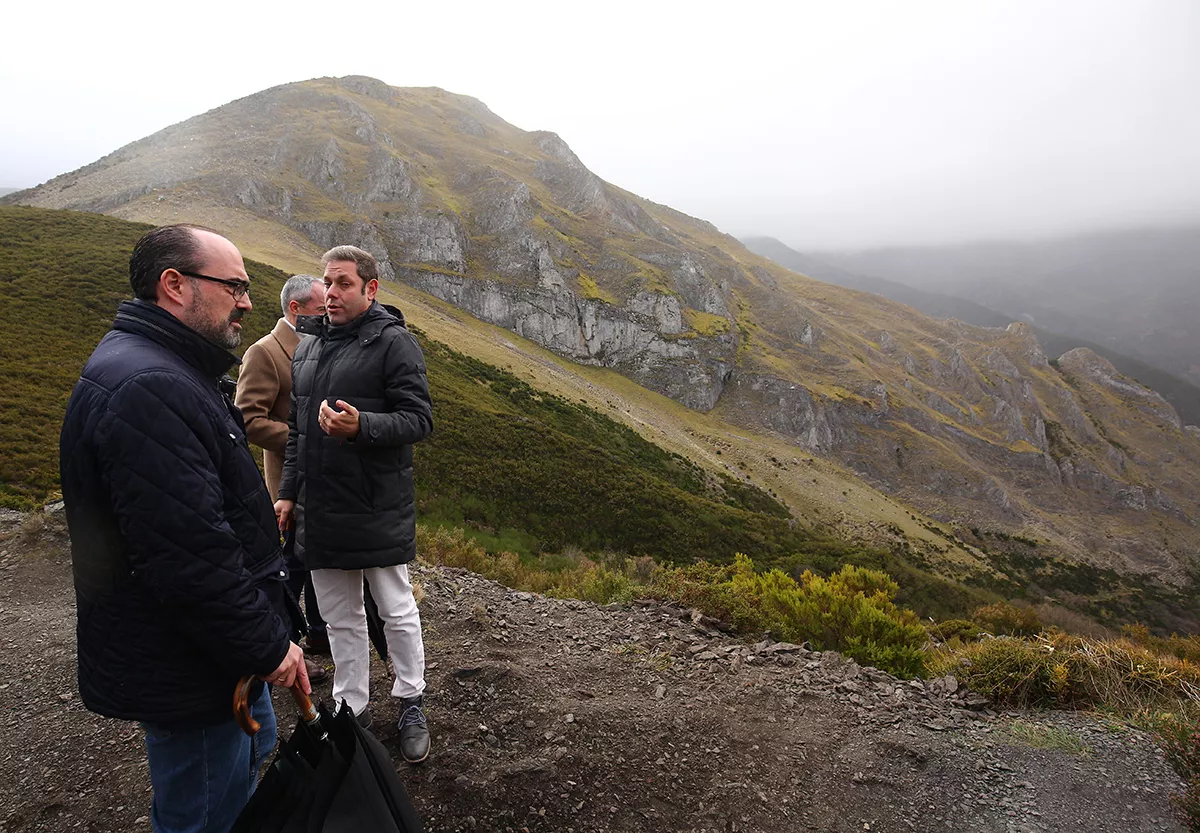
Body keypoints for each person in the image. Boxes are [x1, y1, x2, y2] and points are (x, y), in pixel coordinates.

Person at [59, 224, 311, 833]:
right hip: (195, 669)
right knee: (203, 814)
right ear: (175, 285)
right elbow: (190, 559)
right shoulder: (152, 387)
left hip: (208, 660)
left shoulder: (160, 368)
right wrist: (267, 645)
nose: (248, 301)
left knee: (237, 788)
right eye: (235, 287)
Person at [275, 244, 434, 764]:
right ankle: (351, 706)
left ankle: (411, 699)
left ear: (370, 288)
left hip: (373, 504)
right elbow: (298, 432)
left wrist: (361, 426)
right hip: (319, 509)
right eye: (328, 282)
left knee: (394, 608)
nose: (332, 293)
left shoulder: (395, 344)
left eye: (343, 283)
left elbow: (419, 420)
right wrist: (288, 493)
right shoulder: (308, 348)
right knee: (341, 617)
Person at [235, 275, 331, 679]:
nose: (328, 316)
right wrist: (304, 438)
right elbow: (248, 420)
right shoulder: (265, 353)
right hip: (290, 486)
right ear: (296, 308)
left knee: (321, 560)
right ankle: (283, 647)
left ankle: (320, 634)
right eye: (320, 309)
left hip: (326, 482)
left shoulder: (321, 344)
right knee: (291, 567)